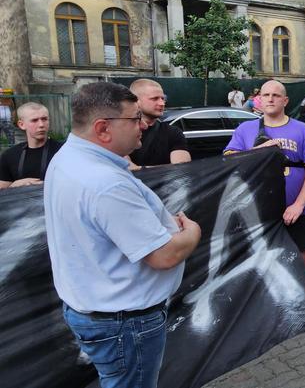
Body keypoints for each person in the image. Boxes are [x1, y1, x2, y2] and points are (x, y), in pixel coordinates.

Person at [44, 81, 201, 388]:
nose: (142, 125)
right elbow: (163, 255)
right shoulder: (105, 182)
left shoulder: (68, 159)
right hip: (124, 322)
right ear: (103, 128)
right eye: (134, 119)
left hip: (100, 310)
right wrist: (193, 233)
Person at [223, 80, 305, 334]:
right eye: (265, 95)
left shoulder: (302, 130)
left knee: (303, 261)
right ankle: (271, 312)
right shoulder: (246, 129)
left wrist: (298, 204)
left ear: (285, 101)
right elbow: (228, 161)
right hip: (258, 213)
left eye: (276, 95)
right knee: (261, 265)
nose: (270, 99)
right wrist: (260, 150)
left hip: (298, 212)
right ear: (259, 100)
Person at [127, 79, 191, 168]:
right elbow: (125, 167)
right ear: (136, 101)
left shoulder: (173, 133)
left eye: (163, 98)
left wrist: (140, 169)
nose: (162, 103)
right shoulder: (121, 132)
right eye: (154, 99)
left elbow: (181, 169)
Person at [0, 102, 63, 189]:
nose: (41, 125)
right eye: (34, 120)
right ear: (21, 125)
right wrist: (15, 185)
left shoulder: (63, 151)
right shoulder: (9, 155)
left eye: (44, 119)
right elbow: (2, 190)